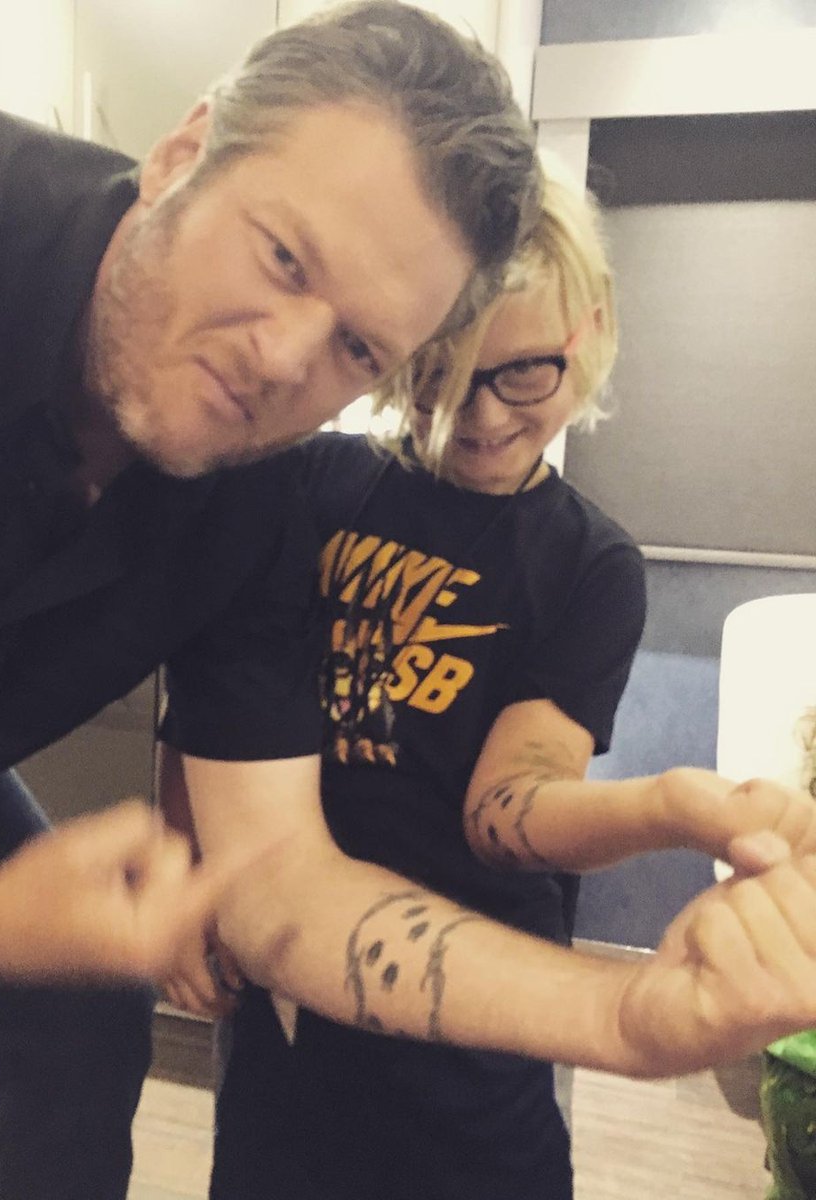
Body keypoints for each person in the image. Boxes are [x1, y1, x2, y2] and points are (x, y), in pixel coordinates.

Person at [0, 4, 541, 1197]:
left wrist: (638, 1012)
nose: (283, 360)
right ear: (184, 152)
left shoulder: (264, 500)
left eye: (357, 351)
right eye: (284, 259)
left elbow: (283, 875)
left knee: (82, 1011)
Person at [158, 171, 816, 1199]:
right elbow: (207, 709)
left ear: (590, 331)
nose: (480, 416)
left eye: (524, 374)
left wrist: (675, 806)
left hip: (481, 1027)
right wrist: (180, 868)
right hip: (288, 1009)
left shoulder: (590, 565)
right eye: (441, 374)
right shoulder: (313, 485)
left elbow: (504, 810)